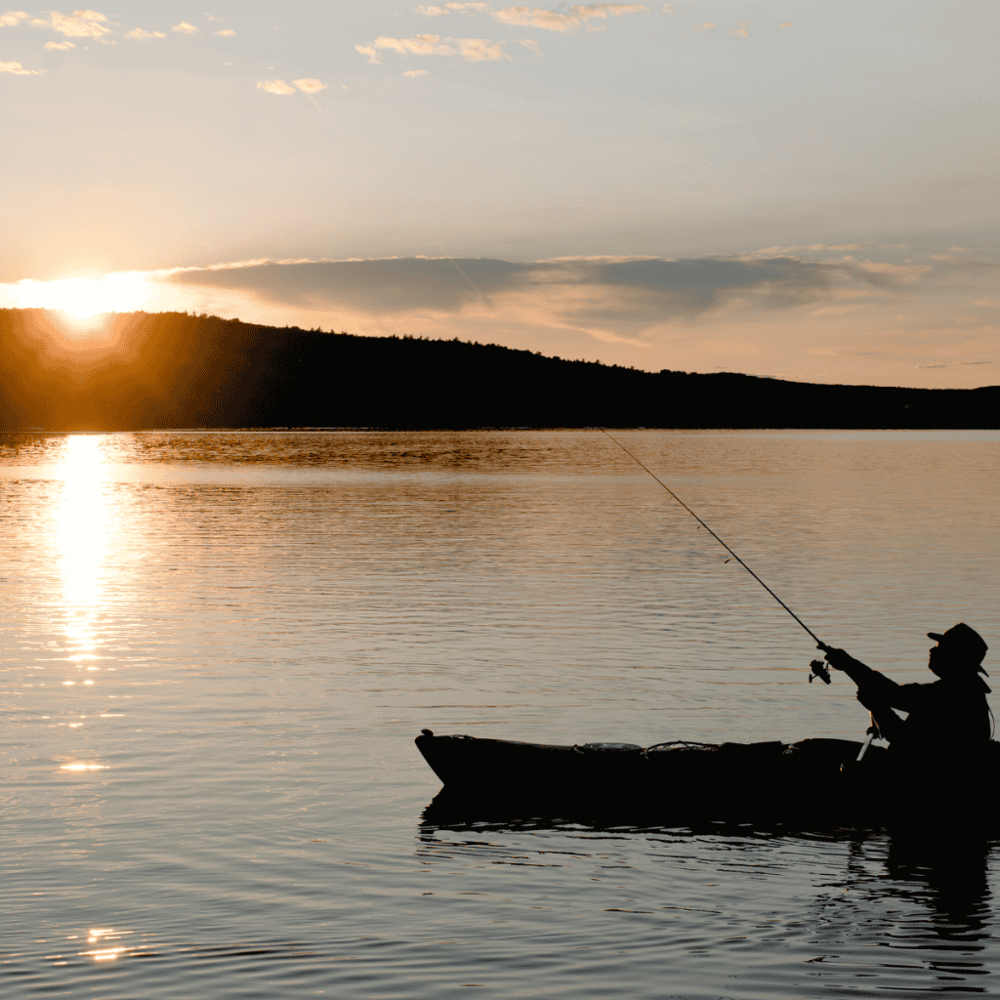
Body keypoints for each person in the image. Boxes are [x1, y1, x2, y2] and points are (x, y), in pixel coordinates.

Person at [819, 623, 992, 757]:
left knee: (805, 749)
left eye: (940, 648)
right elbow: (892, 694)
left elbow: (903, 738)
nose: (932, 649)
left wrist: (877, 708)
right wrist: (848, 664)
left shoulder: (947, 695)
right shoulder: (964, 691)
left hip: (913, 773)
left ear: (955, 658)